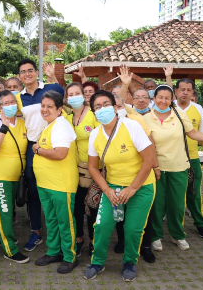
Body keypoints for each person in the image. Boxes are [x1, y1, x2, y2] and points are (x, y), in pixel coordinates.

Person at [83, 90, 156, 282]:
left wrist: (132, 188)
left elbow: (149, 160)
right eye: (97, 107)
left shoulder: (131, 126)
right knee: (102, 225)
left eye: (106, 104)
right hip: (113, 188)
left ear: (115, 107)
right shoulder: (95, 135)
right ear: (93, 112)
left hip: (141, 186)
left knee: (133, 228)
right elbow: (92, 166)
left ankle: (130, 262)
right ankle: (97, 262)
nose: (102, 109)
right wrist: (107, 190)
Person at [143, 84, 203, 252]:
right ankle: (156, 236)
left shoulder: (179, 114)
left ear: (172, 100)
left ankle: (177, 234)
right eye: (160, 97)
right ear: (154, 99)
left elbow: (193, 134)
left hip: (179, 167)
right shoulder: (146, 118)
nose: (163, 101)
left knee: (177, 204)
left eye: (167, 98)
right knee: (157, 204)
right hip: (156, 169)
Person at [15, 58, 65, 252]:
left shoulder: (49, 89)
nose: (27, 74)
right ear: (20, 77)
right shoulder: (19, 98)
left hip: (55, 143)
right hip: (32, 146)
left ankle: (62, 233)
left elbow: (62, 96)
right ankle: (36, 231)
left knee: (57, 189)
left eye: (30, 70)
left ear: (37, 72)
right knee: (34, 190)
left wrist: (53, 77)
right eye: (23, 71)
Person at [33, 91, 79, 274]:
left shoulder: (61, 125)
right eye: (43, 106)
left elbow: (60, 154)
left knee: (65, 221)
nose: (45, 109)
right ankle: (54, 251)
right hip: (46, 183)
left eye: (49, 106)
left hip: (61, 184)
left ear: (59, 110)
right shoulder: (50, 125)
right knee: (51, 220)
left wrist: (37, 150)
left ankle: (70, 256)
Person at [0, 90, 30, 264]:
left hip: (14, 177)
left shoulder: (23, 123)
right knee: (5, 212)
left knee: (4, 210)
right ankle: (10, 249)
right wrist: (3, 127)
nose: (11, 105)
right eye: (6, 103)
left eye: (13, 102)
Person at [112, 93, 158, 263]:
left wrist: (156, 166)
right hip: (117, 178)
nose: (117, 110)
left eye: (120, 106)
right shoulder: (106, 124)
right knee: (119, 214)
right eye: (113, 106)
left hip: (141, 178)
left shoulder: (136, 121)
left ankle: (145, 246)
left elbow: (150, 144)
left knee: (144, 215)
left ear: (125, 107)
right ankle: (122, 241)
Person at [174, 78, 203, 238]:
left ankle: (200, 223)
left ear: (192, 92)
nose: (185, 92)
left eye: (188, 90)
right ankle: (176, 228)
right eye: (182, 89)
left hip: (193, 159)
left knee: (194, 193)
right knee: (175, 196)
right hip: (172, 159)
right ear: (176, 91)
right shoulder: (168, 107)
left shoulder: (197, 109)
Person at [65, 82, 99, 257]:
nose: (74, 97)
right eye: (70, 94)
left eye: (77, 93)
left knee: (93, 207)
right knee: (76, 207)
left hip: (95, 168)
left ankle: (94, 241)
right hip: (74, 169)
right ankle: (79, 239)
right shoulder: (67, 117)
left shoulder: (93, 115)